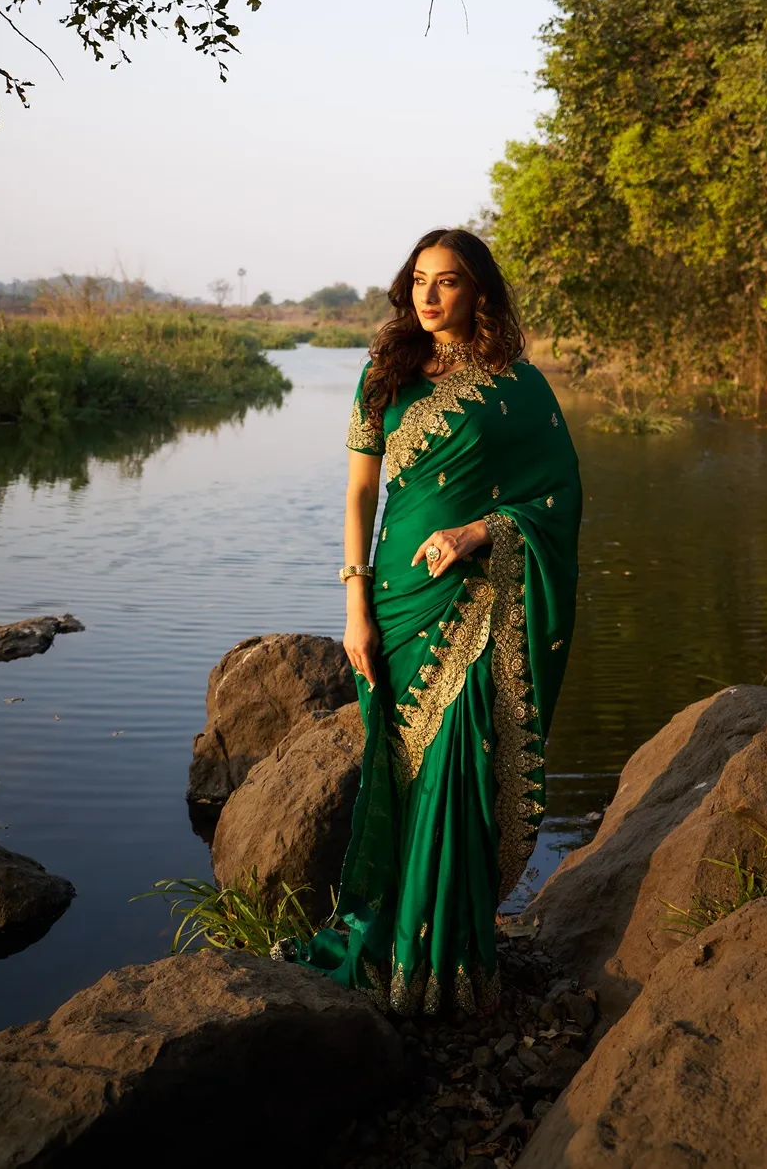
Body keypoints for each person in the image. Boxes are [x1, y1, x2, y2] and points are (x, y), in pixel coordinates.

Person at [291, 227, 581, 1015]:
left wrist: (478, 533)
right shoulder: (382, 377)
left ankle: (449, 957)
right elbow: (359, 497)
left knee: (462, 763)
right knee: (401, 768)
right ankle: (391, 941)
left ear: (478, 292)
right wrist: (354, 602)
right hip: (393, 597)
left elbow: (556, 495)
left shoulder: (517, 386)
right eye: (419, 279)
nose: (428, 295)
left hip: (479, 598)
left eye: (447, 281)